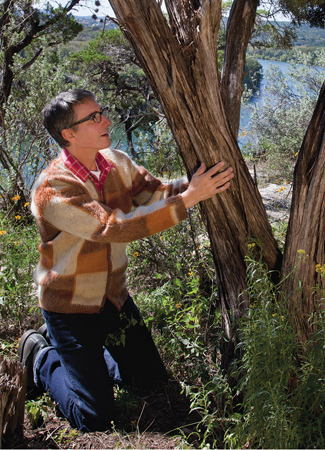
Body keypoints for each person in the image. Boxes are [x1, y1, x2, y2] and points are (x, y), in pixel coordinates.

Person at [18, 89, 233, 432]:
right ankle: (42, 356)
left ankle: (83, 359)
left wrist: (193, 186)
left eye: (101, 112)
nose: (106, 120)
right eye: (94, 118)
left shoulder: (116, 161)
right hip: (70, 307)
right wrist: (192, 198)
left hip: (114, 300)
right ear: (68, 135)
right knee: (94, 418)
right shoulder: (52, 189)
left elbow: (155, 192)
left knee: (149, 382)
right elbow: (111, 228)